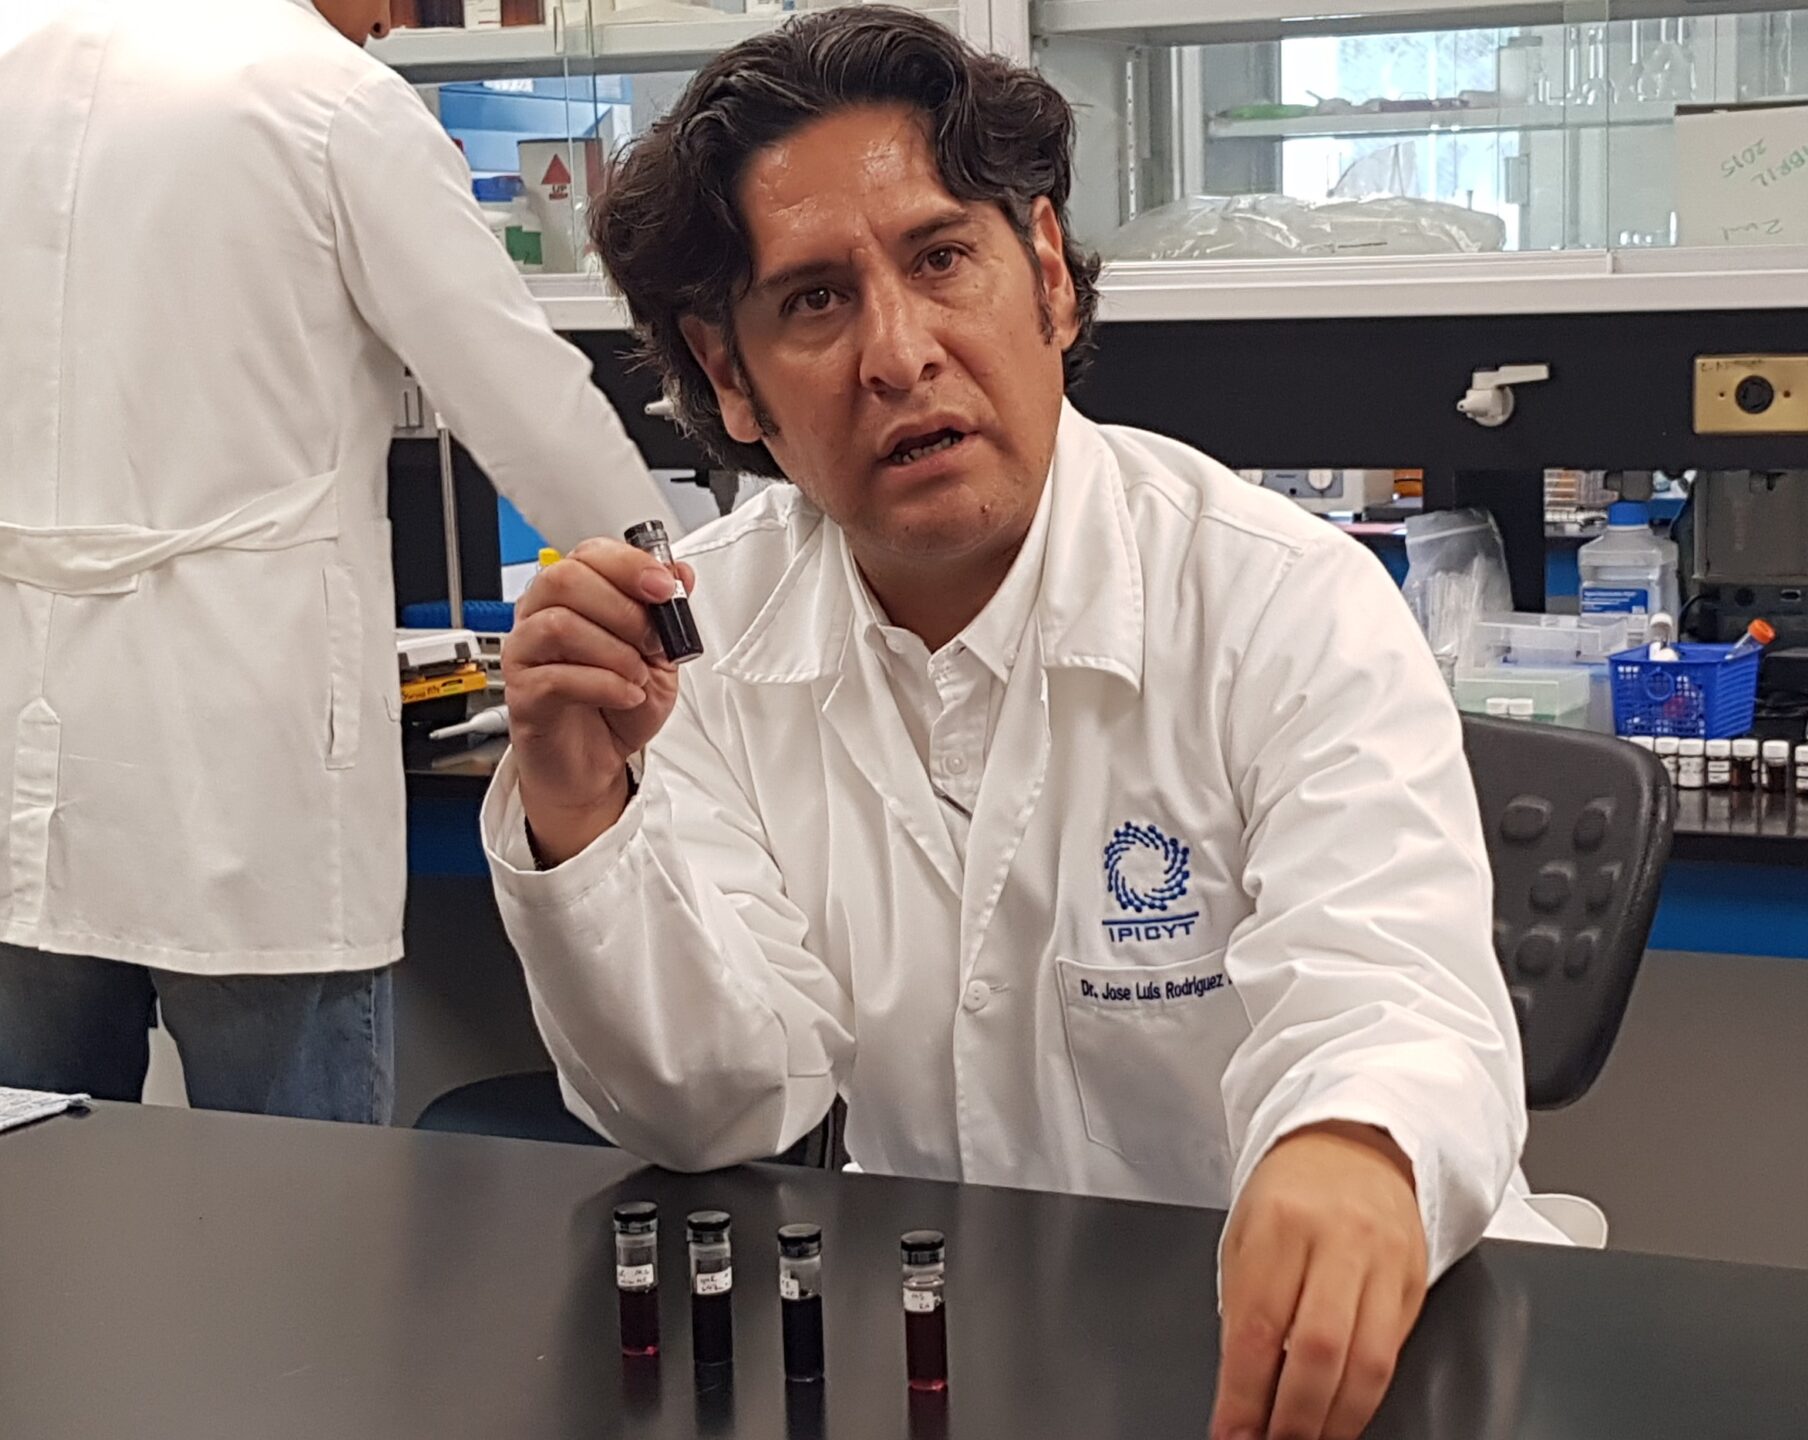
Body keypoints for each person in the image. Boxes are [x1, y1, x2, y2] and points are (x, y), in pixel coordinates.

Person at [481, 9, 1554, 1438]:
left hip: (1302, 1358)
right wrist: (579, 812)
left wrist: (1356, 1144)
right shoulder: (700, 639)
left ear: (1045, 273)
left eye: (940, 259)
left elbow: (1390, 990)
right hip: (944, 1355)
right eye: (814, 301)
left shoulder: (1280, 601)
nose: (898, 354)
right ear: (728, 377)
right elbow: (718, 1103)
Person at [0, 0, 672, 1123]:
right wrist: (685, 617)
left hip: (25, 757)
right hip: (244, 768)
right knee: (301, 1206)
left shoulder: (15, 57)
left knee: (36, 1194)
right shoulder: (329, 102)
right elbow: (527, 405)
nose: (394, 21)